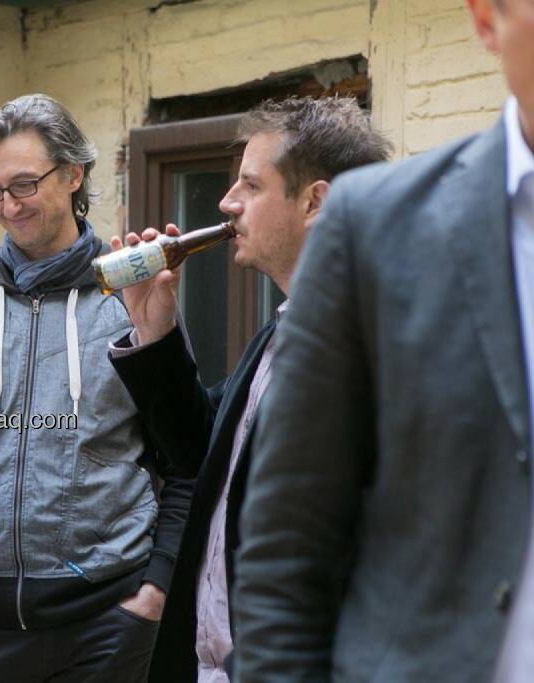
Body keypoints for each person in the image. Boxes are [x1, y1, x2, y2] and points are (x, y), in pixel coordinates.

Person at [233, 1, 534, 681]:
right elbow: (288, 548)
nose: (228, 203)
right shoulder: (376, 227)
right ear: (487, 17)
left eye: (249, 185)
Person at [0, 93, 193, 682]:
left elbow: (187, 461)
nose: (8, 206)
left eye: (24, 184)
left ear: (74, 173)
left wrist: (153, 594)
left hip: (108, 622)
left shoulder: (133, 295)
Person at [106, 96, 390, 682]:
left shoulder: (373, 341)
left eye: (251, 186)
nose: (225, 202)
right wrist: (153, 327)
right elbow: (199, 456)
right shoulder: (283, 329)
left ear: (314, 201)